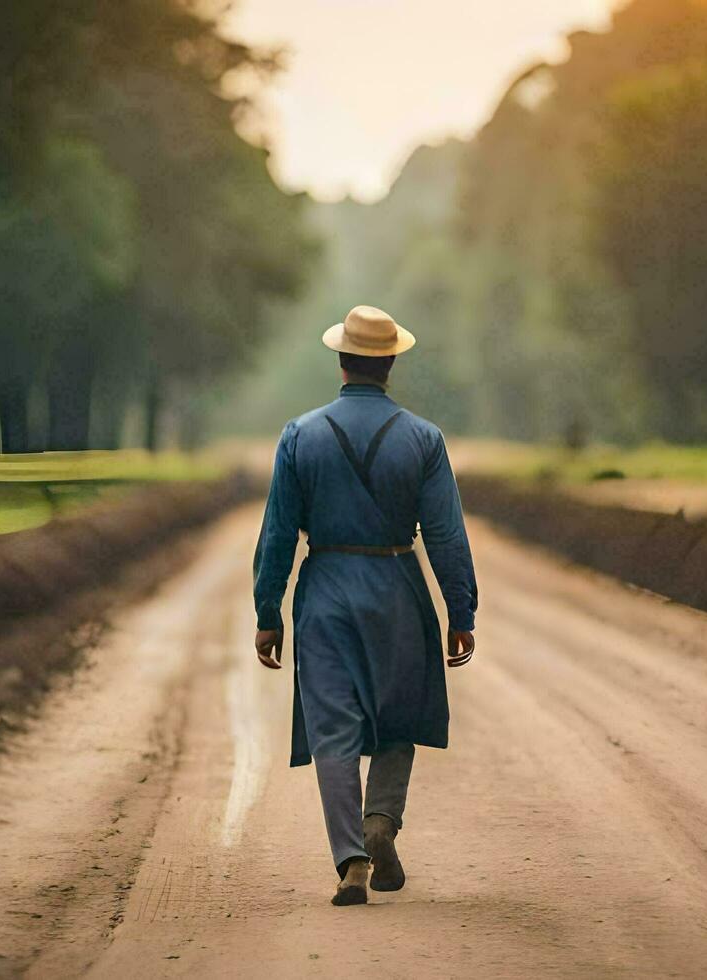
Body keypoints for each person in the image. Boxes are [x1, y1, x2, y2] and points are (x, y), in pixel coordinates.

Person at [252, 305, 479, 906]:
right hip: (397, 583)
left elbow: (278, 531)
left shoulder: (300, 436)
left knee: (333, 726)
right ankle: (381, 819)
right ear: (391, 363)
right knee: (399, 712)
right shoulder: (424, 439)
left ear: (342, 360)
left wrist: (267, 610)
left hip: (325, 585)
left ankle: (351, 859)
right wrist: (461, 611)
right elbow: (447, 535)